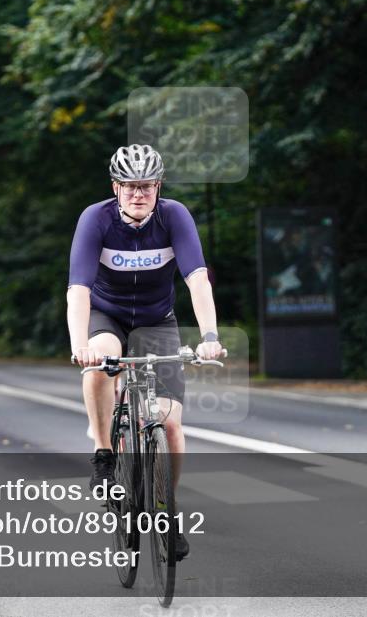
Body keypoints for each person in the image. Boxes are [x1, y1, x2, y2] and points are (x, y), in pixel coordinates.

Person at [68, 144, 224, 561]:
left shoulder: (174, 216)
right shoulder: (95, 219)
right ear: (116, 187)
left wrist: (209, 335)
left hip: (157, 321)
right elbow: (78, 291)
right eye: (131, 186)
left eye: (148, 187)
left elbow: (197, 279)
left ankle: (164, 512)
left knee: (170, 425)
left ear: (159, 187)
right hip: (107, 316)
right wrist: (79, 346)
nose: (140, 194)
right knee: (100, 363)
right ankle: (104, 454)